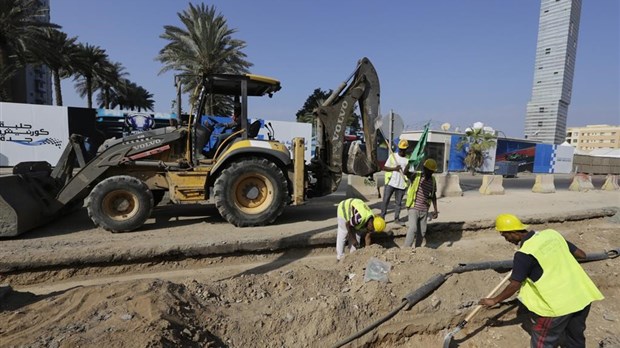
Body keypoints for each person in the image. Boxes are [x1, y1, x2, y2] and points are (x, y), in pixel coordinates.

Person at [479, 214, 604, 347]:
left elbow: (515, 284)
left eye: (505, 235)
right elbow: (581, 255)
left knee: (543, 341)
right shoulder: (552, 235)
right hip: (581, 296)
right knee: (575, 339)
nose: (506, 239)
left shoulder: (524, 254)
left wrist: (494, 300)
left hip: (557, 307)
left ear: (513, 232)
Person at [404, 158, 438, 248]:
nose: (430, 173)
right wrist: (409, 163)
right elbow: (405, 172)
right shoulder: (417, 175)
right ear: (424, 169)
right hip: (413, 207)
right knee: (413, 228)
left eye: (432, 171)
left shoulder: (433, 181)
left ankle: (418, 249)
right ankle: (406, 249)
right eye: (429, 171)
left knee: (422, 231)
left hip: (424, 210)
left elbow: (433, 195)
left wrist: (435, 209)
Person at [380, 139, 410, 226]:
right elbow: (384, 168)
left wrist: (406, 169)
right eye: (400, 149)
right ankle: (382, 218)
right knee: (385, 201)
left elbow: (408, 172)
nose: (401, 150)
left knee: (398, 203)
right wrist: (395, 169)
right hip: (391, 183)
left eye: (403, 149)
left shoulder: (408, 160)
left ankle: (396, 219)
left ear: (406, 149)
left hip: (401, 185)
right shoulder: (393, 156)